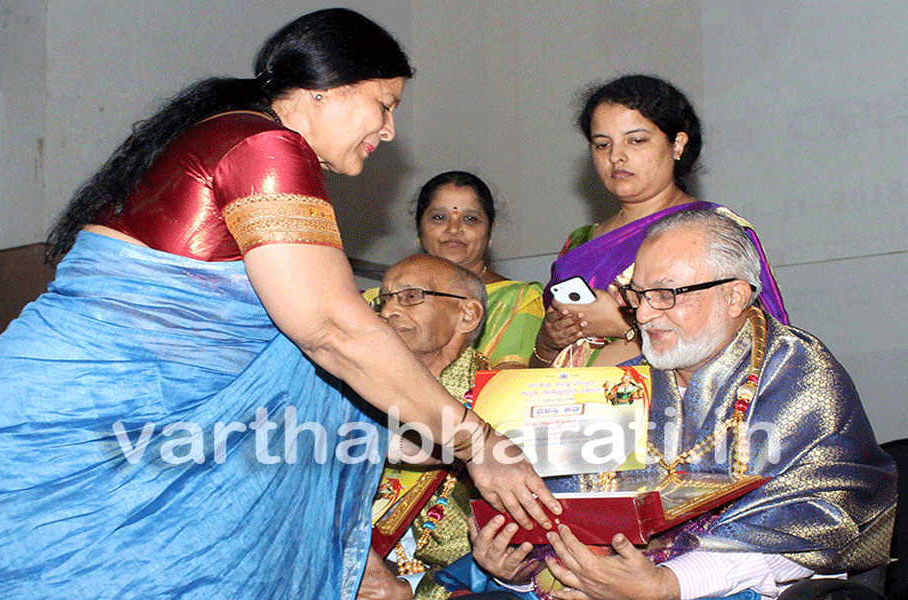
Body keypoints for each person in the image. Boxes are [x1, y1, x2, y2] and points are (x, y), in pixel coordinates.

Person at [0, 9, 558, 600]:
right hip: (84, 426)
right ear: (326, 90)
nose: (389, 131)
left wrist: (473, 441)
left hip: (77, 412)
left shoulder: (228, 133)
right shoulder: (267, 147)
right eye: (385, 104)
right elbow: (331, 333)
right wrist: (477, 442)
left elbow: (317, 387)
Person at [460, 208, 895, 600]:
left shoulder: (796, 374)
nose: (645, 315)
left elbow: (817, 524)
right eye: (638, 294)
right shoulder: (625, 383)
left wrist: (669, 585)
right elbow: (568, 511)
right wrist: (517, 568)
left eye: (667, 294)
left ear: (736, 296)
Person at [530, 74, 789, 370]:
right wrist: (547, 343)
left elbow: (754, 344)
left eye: (636, 140)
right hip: (571, 407)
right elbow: (543, 366)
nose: (616, 157)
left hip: (673, 409)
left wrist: (624, 325)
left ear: (677, 144)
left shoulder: (712, 229)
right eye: (602, 145)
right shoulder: (581, 242)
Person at [360, 253, 489, 600]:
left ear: (467, 314)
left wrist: (403, 594)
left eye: (411, 296)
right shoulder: (356, 395)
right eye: (383, 299)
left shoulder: (501, 399)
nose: (388, 312)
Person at [366, 171, 544, 369]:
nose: (453, 228)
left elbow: (507, 389)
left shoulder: (519, 298)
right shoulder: (371, 303)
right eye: (439, 217)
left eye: (470, 219)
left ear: (489, 230)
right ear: (418, 226)